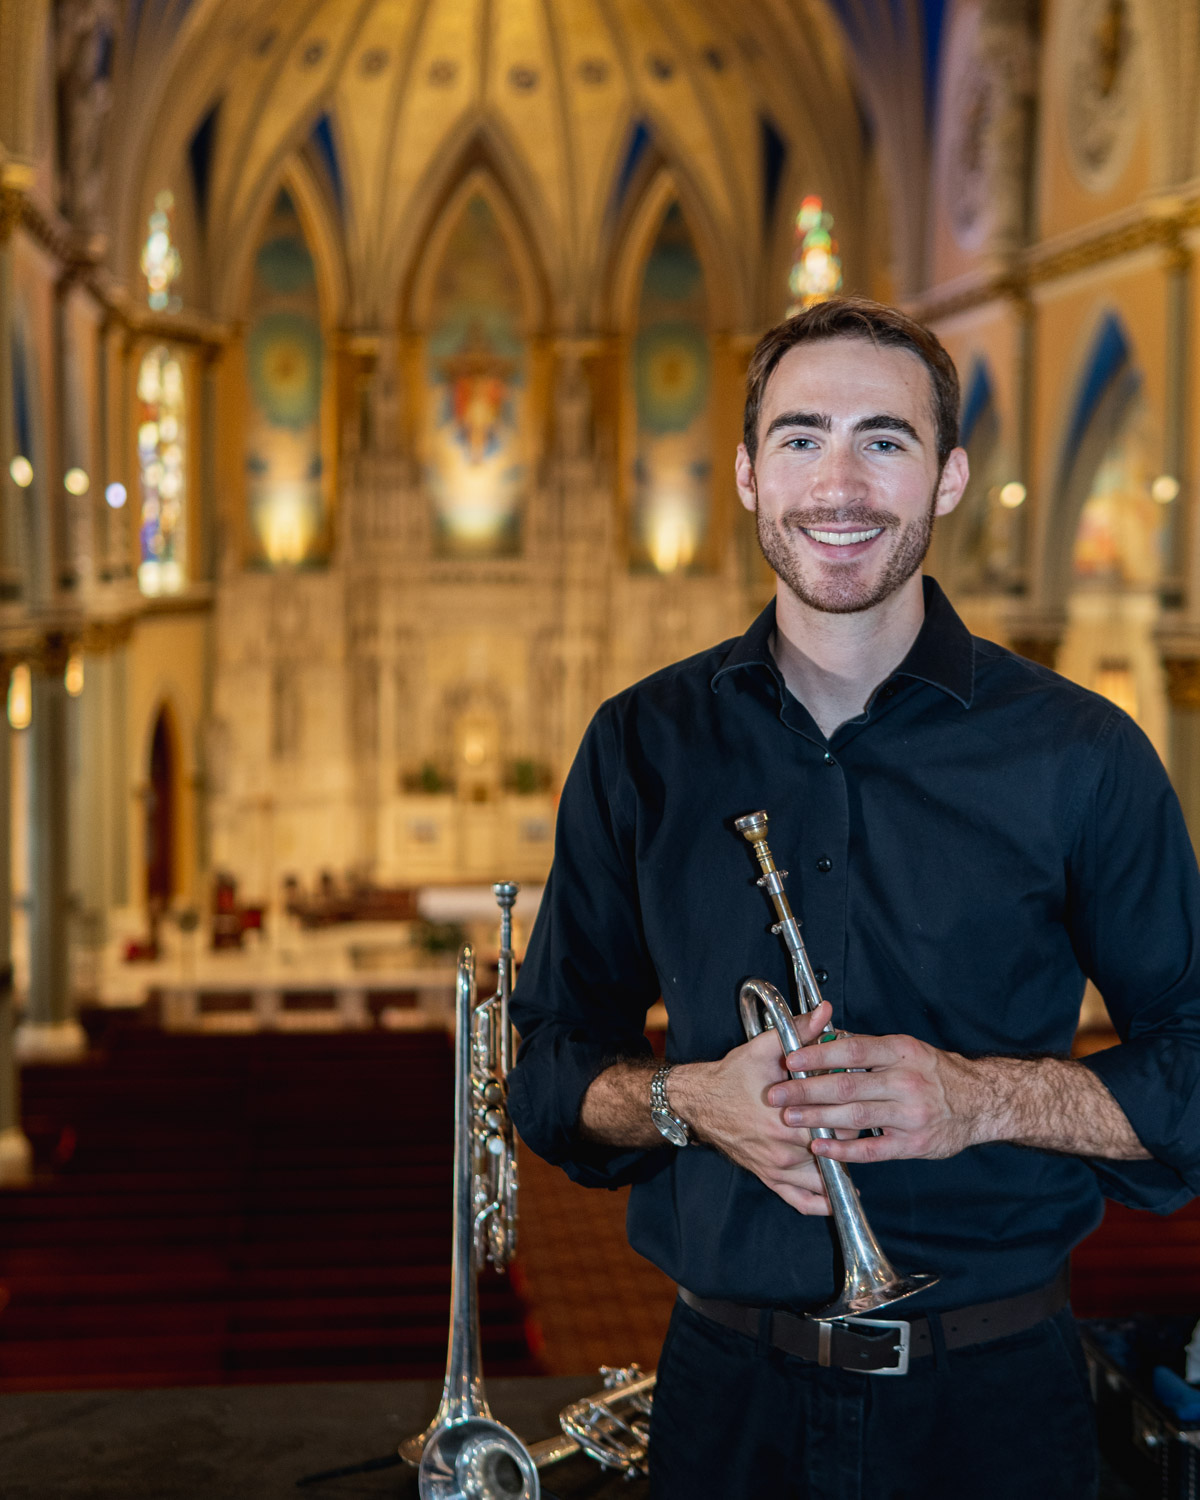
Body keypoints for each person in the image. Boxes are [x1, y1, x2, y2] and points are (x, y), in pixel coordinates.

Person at [507, 297, 1200, 1500]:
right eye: (800, 438)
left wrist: (979, 1100)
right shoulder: (642, 746)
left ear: (948, 478)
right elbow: (548, 1072)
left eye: (884, 440)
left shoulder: (1083, 754)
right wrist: (688, 1100)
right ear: (745, 473)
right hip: (727, 1397)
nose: (840, 483)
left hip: (996, 1407)